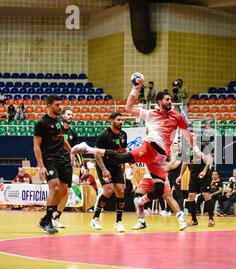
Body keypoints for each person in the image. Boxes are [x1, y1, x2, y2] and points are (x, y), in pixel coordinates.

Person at [71, 77, 194, 231]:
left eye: (170, 99)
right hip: (150, 147)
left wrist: (194, 148)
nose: (170, 101)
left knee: (159, 190)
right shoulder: (151, 114)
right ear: (159, 102)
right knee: (122, 159)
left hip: (160, 158)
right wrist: (135, 88)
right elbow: (129, 107)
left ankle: (141, 202)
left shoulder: (176, 116)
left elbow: (187, 133)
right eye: (167, 99)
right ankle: (87, 148)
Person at [34, 95, 73, 234]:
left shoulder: (60, 120)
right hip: (48, 159)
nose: (60, 107)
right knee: (55, 187)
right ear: (49, 106)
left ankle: (45, 219)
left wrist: (72, 151)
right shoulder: (41, 123)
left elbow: (62, 139)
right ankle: (48, 222)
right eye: (57, 105)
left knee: (63, 190)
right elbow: (36, 146)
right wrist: (41, 166)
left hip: (62, 158)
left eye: (60, 105)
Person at [90, 112, 127, 232]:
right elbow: (96, 153)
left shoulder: (123, 135)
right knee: (109, 190)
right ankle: (95, 218)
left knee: (120, 191)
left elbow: (123, 151)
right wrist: (104, 170)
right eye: (118, 119)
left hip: (116, 166)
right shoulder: (104, 135)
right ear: (111, 121)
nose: (121, 122)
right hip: (104, 166)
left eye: (122, 120)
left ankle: (119, 222)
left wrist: (124, 169)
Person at [53, 108, 79, 226]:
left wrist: (81, 164)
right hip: (55, 161)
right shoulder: (56, 129)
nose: (71, 116)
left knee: (67, 191)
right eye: (68, 114)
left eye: (72, 114)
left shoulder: (73, 134)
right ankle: (50, 215)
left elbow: (75, 150)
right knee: (56, 189)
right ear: (63, 116)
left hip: (66, 164)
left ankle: (56, 217)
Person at [177, 145, 214, 227]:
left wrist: (204, 171)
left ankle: (211, 219)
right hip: (193, 175)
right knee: (191, 196)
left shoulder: (202, 146)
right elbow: (185, 163)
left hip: (205, 175)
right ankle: (194, 220)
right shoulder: (186, 149)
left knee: (206, 195)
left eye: (193, 136)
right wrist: (180, 176)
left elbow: (210, 159)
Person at [166, 141, 184, 212]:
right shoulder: (169, 156)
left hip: (177, 176)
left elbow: (174, 166)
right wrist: (171, 163)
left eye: (176, 146)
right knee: (167, 193)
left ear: (178, 148)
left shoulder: (179, 155)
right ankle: (168, 209)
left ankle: (181, 209)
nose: (174, 147)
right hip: (169, 176)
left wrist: (170, 164)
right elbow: (166, 166)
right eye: (173, 146)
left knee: (178, 192)